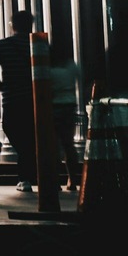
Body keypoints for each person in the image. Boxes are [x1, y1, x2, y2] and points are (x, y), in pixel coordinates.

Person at [0, 10, 37, 193]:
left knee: (13, 131)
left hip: (12, 99)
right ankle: (34, 174)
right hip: (35, 98)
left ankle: (25, 177)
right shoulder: (39, 44)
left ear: (12, 25)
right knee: (33, 137)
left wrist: (1, 88)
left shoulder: (2, 46)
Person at [50, 38, 83, 193]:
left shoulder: (48, 67)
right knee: (68, 144)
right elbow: (81, 80)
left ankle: (55, 179)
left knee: (54, 145)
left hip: (52, 106)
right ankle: (72, 179)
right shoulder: (71, 65)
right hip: (69, 105)